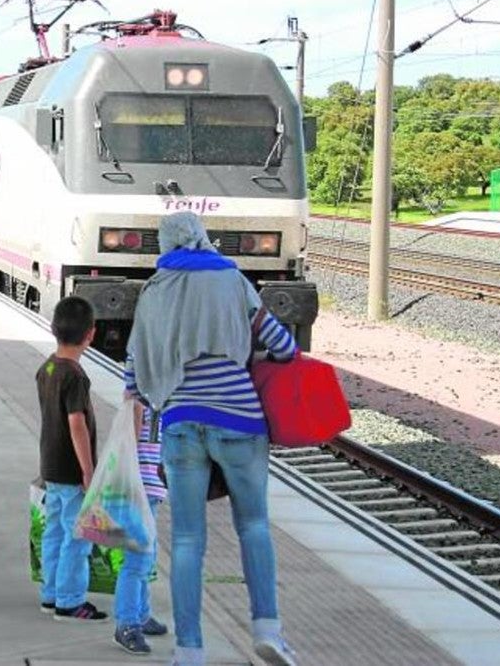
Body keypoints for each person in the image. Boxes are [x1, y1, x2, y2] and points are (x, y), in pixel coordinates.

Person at [124, 212, 298, 666]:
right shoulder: (232, 278)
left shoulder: (155, 290)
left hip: (180, 422)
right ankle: (268, 631)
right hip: (239, 419)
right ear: (203, 238)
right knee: (254, 525)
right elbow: (282, 346)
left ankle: (189, 651)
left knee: (185, 541)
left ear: (165, 244)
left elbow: (134, 365)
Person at [36, 296, 107, 623]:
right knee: (77, 537)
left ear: (54, 330)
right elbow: (76, 424)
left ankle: (50, 595)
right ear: (90, 334)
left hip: (50, 465)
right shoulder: (76, 376)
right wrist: (88, 470)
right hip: (71, 470)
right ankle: (69, 601)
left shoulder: (47, 367)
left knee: (54, 532)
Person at [111, 401, 170, 655]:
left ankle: (142, 615)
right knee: (137, 560)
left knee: (148, 558)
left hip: (152, 490)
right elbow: (129, 446)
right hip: (136, 491)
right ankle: (126, 624)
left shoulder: (164, 398)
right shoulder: (137, 399)